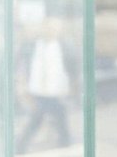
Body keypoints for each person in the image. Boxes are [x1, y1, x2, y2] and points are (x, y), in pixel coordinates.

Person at [16, 17, 79, 153]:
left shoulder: (65, 46)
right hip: (37, 91)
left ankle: (64, 144)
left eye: (55, 28)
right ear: (43, 28)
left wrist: (73, 87)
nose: (52, 31)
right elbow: (21, 66)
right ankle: (21, 147)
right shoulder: (32, 45)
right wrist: (23, 86)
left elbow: (73, 68)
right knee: (39, 119)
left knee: (56, 119)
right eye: (49, 28)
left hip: (56, 92)